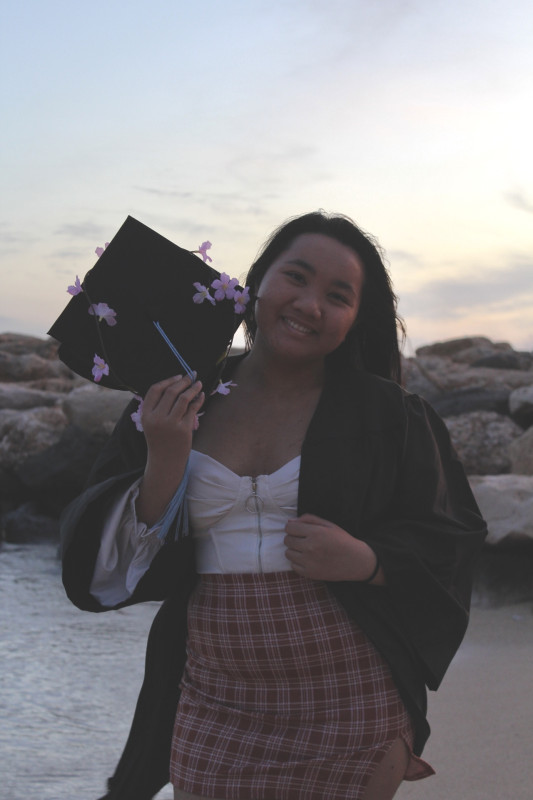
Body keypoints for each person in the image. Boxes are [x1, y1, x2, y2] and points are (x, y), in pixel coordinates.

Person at [60, 211, 487, 800]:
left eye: (337, 296)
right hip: (215, 700)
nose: (310, 305)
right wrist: (165, 456)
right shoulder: (179, 399)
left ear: (355, 318)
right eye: (296, 278)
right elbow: (111, 561)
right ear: (257, 281)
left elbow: (454, 537)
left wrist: (366, 559)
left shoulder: (389, 415)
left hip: (352, 699)